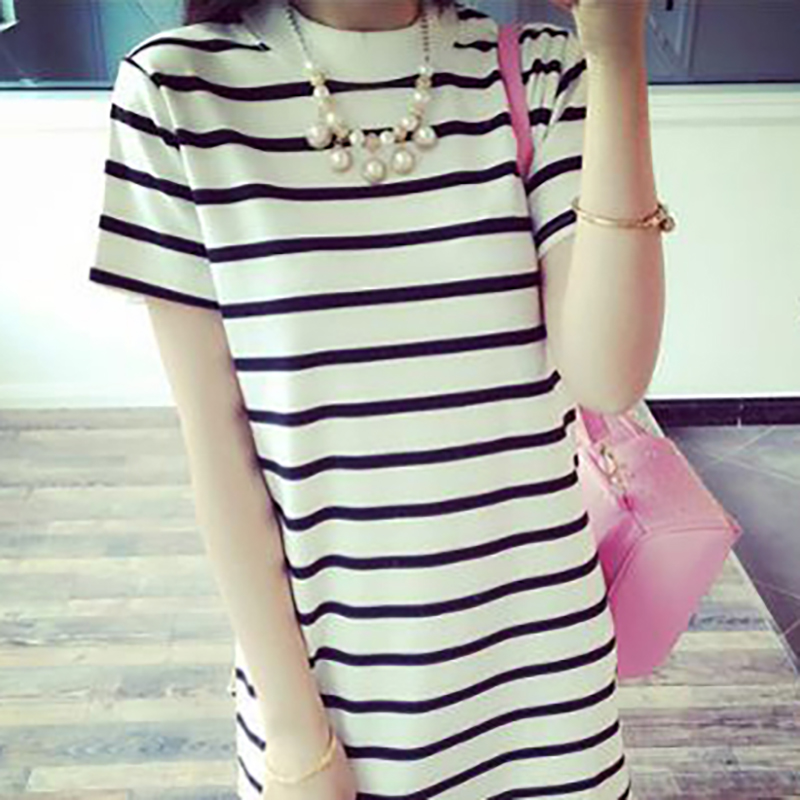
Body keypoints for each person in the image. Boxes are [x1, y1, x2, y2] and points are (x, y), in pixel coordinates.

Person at [89, 0, 663, 796]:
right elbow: (219, 451)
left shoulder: (540, 72)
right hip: (336, 698)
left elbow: (608, 375)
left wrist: (618, 53)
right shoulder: (178, 90)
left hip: (544, 682)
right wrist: (297, 738)